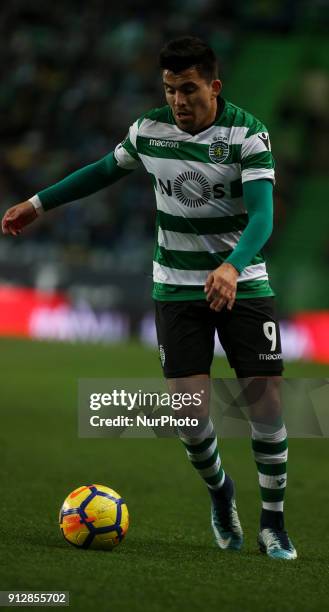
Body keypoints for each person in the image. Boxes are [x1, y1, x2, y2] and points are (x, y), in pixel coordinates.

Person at [2, 36, 296, 560]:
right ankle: (221, 492)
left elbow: (263, 217)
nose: (178, 100)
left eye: (188, 89)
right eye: (169, 89)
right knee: (189, 417)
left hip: (243, 282)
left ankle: (273, 522)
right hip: (176, 287)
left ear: (214, 86)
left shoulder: (249, 134)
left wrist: (231, 265)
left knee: (265, 402)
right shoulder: (148, 130)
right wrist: (37, 203)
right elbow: (101, 171)